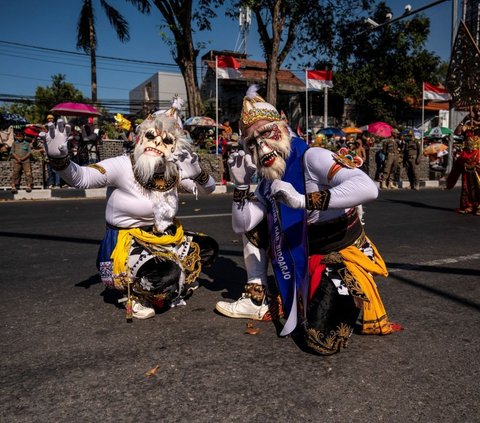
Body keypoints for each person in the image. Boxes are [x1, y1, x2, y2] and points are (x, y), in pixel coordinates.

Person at [215, 86, 397, 355]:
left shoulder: (313, 157)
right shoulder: (266, 177)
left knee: (320, 339)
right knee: (256, 222)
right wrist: (241, 185)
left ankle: (339, 289)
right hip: (299, 254)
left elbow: (367, 188)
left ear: (284, 127)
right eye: (251, 142)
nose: (261, 146)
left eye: (266, 133)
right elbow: (242, 225)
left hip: (336, 254)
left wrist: (303, 200)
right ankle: (257, 294)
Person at [43, 98, 218, 320]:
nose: (156, 143)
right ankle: (135, 293)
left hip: (163, 237)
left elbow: (207, 190)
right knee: (167, 273)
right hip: (125, 243)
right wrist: (59, 159)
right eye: (151, 135)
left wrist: (198, 172)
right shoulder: (123, 165)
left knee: (209, 247)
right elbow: (82, 178)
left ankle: (172, 280)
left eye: (165, 140)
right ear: (140, 137)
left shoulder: (172, 171)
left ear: (175, 147)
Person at [445, 133, 480, 215]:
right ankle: (468, 206)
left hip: (477, 175)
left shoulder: (478, 153)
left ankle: (478, 207)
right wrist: (450, 182)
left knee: (478, 190)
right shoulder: (463, 155)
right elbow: (456, 169)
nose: (470, 149)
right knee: (466, 190)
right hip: (467, 176)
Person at [10, 128, 33, 193]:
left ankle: (29, 185)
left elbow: (29, 152)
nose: (20, 138)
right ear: (16, 137)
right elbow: (12, 152)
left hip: (26, 161)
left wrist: (23, 158)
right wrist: (17, 158)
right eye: (18, 137)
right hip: (16, 161)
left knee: (28, 173)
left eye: (21, 136)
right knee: (15, 172)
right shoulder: (14, 143)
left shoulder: (27, 143)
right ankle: (13, 186)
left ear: (24, 136)